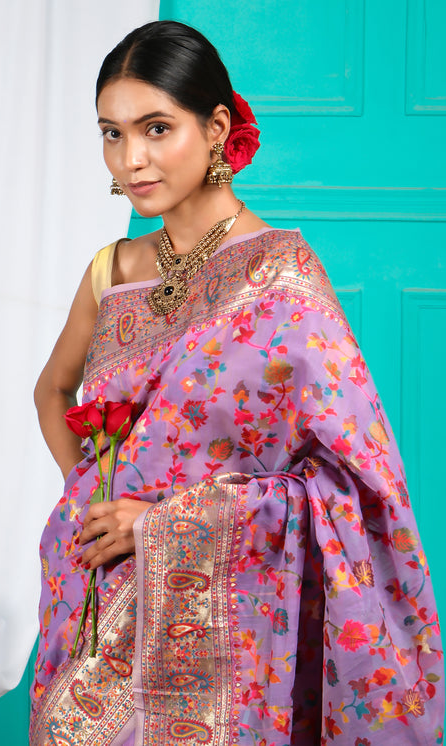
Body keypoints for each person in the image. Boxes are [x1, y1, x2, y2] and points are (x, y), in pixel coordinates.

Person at [30, 20, 444, 746]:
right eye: (112, 133)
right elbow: (52, 391)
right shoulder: (113, 269)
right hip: (102, 598)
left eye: (156, 128)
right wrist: (90, 502)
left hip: (233, 628)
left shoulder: (281, 277)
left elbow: (351, 485)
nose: (132, 159)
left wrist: (156, 523)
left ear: (216, 127)